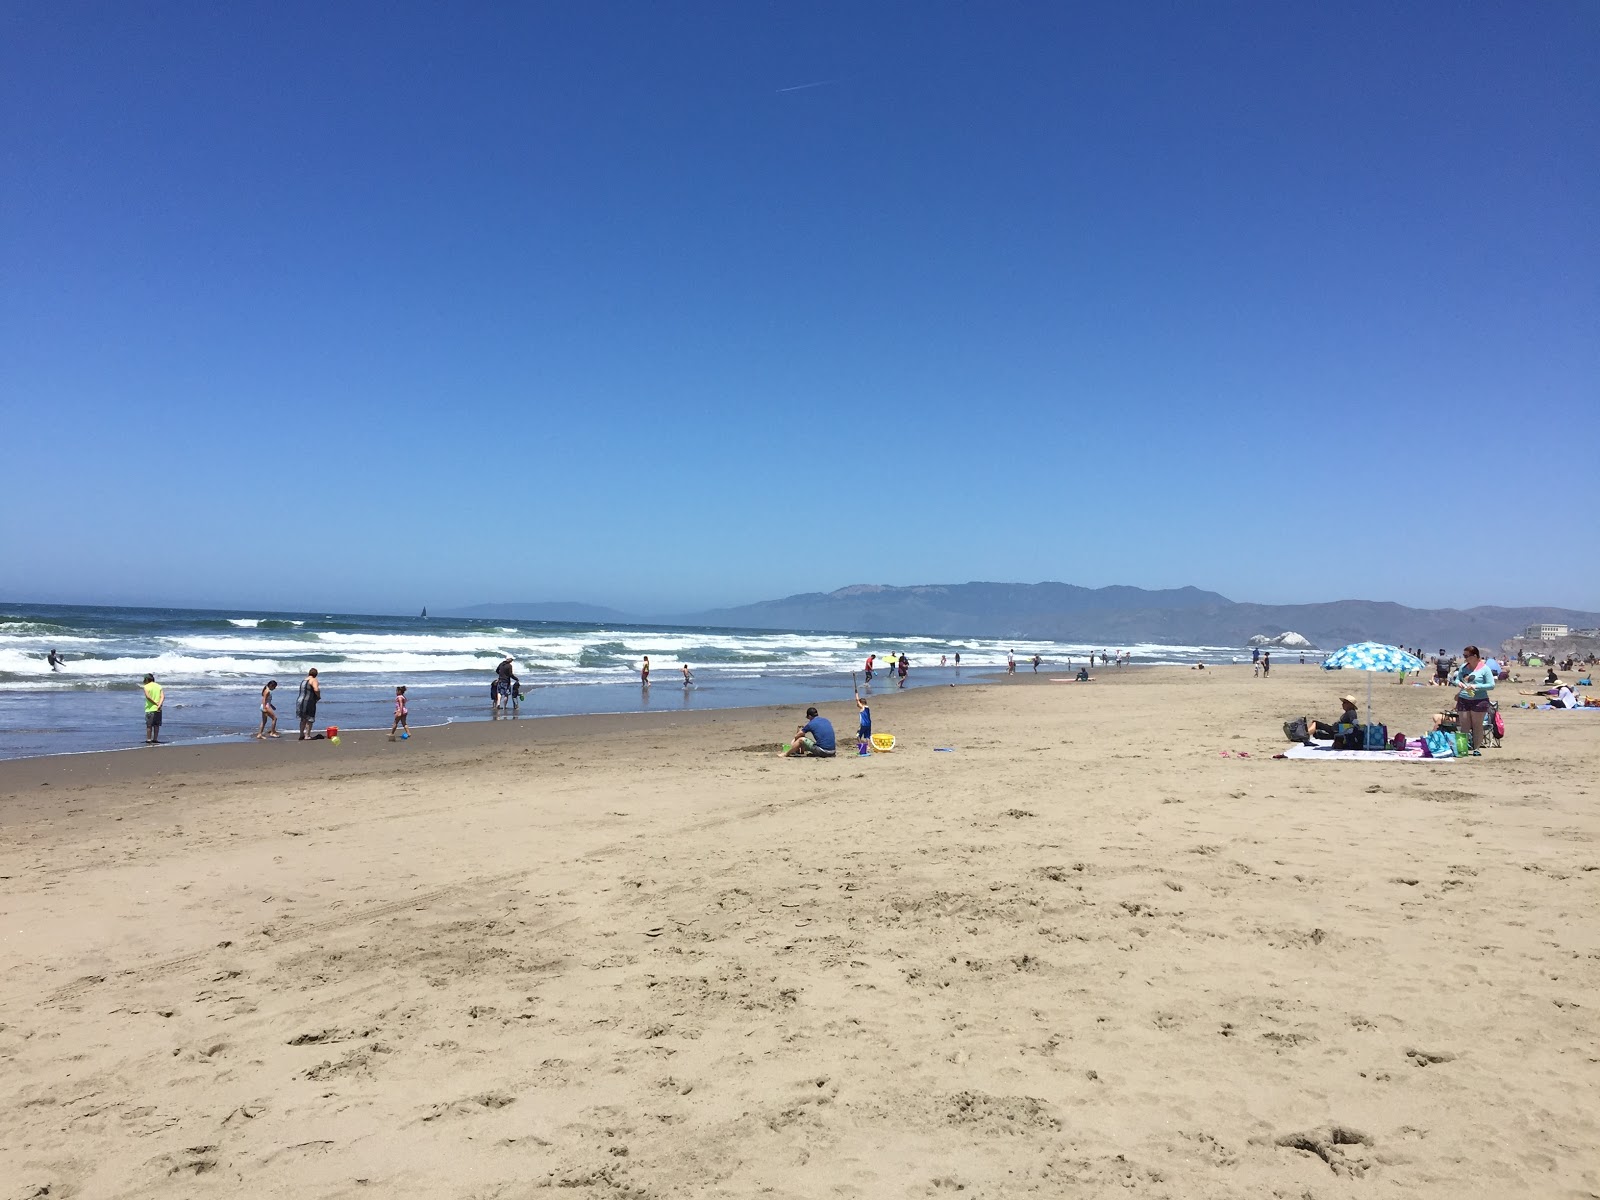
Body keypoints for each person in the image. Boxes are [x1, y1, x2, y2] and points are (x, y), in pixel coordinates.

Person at [1451, 645, 1495, 753]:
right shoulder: (1463, 667)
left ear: (1475, 656)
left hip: (1479, 700)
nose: (1465, 658)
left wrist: (1477, 686)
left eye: (1467, 655)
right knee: (1464, 725)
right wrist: (1459, 683)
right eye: (1464, 655)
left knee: (1477, 725)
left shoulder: (1485, 669)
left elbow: (1491, 685)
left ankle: (1477, 748)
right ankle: (1462, 749)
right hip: (1464, 698)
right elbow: (1456, 680)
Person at [296, 668, 321, 740]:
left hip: (300, 701)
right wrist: (318, 696)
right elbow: (316, 689)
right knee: (310, 718)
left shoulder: (304, 680)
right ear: (316, 675)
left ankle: (301, 734)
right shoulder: (313, 680)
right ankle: (307, 735)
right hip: (308, 701)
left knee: (303, 718)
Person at [142, 672, 164, 744]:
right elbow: (163, 696)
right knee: (156, 725)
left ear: (147, 679)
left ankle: (148, 739)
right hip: (158, 708)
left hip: (150, 708)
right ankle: (155, 739)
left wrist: (155, 703)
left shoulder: (146, 686)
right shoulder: (159, 686)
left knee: (149, 725)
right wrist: (159, 705)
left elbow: (148, 697)